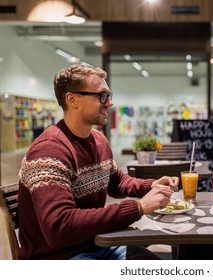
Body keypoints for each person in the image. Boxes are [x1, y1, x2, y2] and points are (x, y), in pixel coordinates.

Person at [17, 64, 178, 260]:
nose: (109, 103)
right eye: (101, 96)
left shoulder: (98, 140)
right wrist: (139, 207)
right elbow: (59, 226)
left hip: (96, 242)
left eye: (109, 95)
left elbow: (116, 181)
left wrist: (150, 185)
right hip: (57, 257)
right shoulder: (49, 150)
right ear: (72, 99)